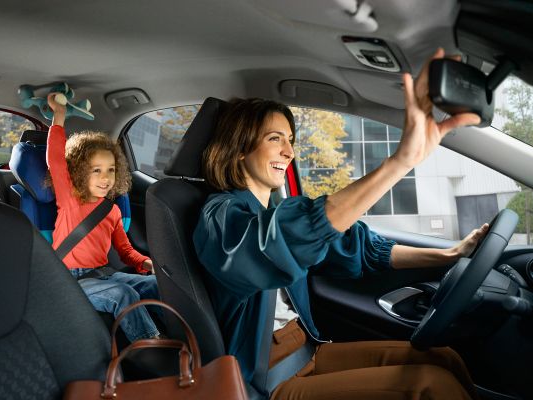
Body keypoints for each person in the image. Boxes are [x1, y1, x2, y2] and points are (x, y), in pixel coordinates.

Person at [193, 49, 487, 399]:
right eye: (275, 139)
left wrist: (450, 256)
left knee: (443, 360)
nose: (290, 152)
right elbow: (279, 240)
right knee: (430, 386)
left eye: (291, 140)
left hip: (308, 349)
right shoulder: (219, 217)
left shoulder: (277, 208)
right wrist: (399, 162)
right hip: (260, 380)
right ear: (239, 148)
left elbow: (359, 248)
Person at [46, 93, 160, 341]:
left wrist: (147, 263)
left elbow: (125, 251)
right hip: (69, 281)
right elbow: (55, 159)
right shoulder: (69, 199)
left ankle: (178, 333)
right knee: (124, 295)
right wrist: (59, 117)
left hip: (104, 273)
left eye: (110, 170)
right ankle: (150, 345)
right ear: (78, 172)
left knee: (158, 286)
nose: (105, 178)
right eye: (96, 171)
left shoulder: (112, 210)